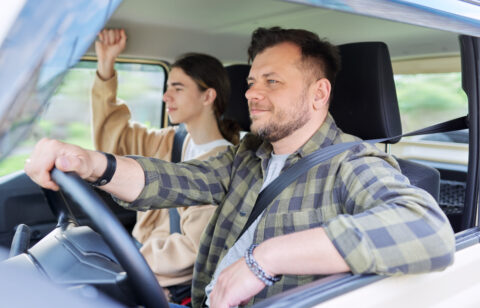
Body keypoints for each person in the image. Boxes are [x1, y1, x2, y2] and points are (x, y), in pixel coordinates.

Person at [25, 27, 455, 308]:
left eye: (272, 81)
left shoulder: (353, 162)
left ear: (319, 93)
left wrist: (264, 259)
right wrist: (90, 162)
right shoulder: (248, 155)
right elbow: (173, 180)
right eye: (251, 81)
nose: (252, 93)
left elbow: (427, 231)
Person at [91, 28, 240, 304]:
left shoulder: (222, 166)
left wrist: (131, 263)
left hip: (159, 275)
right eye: (167, 86)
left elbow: (194, 249)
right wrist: (105, 66)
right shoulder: (170, 140)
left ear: (208, 97)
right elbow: (113, 140)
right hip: (138, 257)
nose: (165, 96)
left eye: (177, 88)